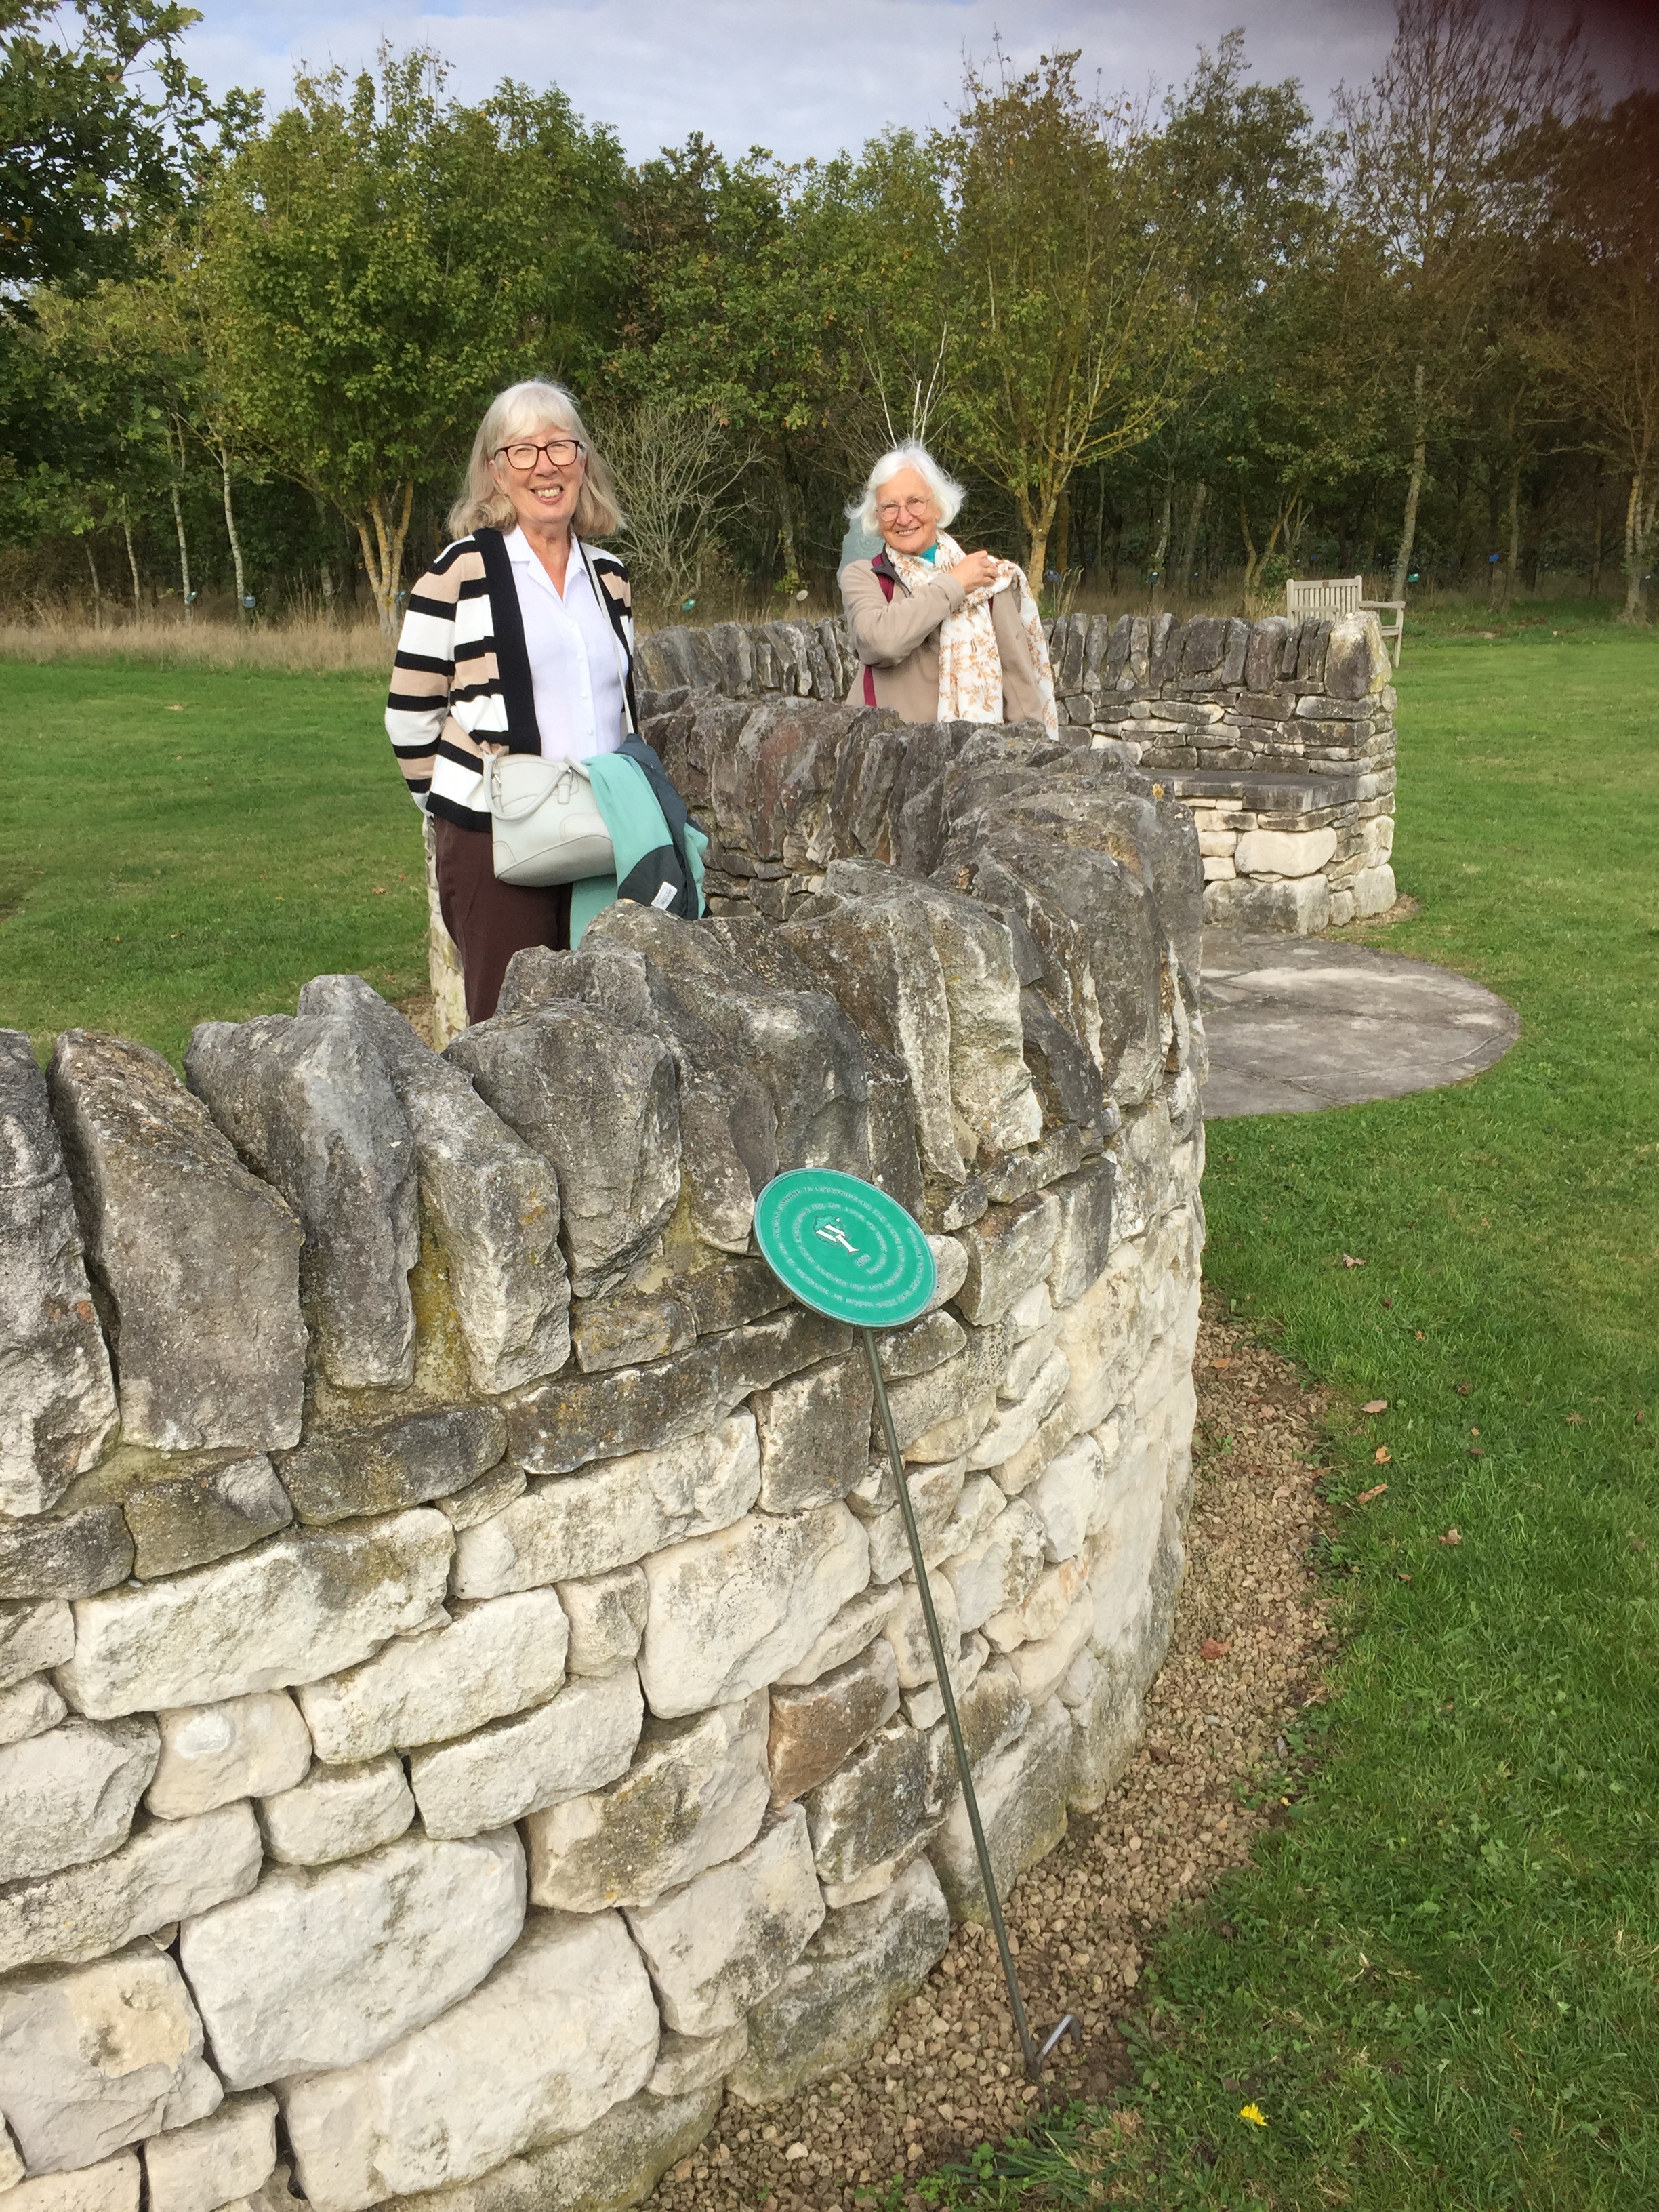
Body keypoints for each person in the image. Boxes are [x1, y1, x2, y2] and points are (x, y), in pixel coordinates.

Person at [386, 380, 642, 1024]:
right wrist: (460, 803)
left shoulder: (609, 577)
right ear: (495, 472)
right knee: (511, 1030)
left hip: (602, 831)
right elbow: (409, 713)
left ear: (583, 462)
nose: (545, 466)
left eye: (560, 446)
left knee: (605, 1023)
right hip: (494, 842)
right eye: (522, 451)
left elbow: (623, 709)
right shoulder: (458, 573)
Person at [840, 441, 1057, 735]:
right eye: (889, 507)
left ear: (939, 507)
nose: (904, 518)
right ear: (877, 519)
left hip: (972, 761)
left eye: (916, 501)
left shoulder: (987, 579)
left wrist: (1034, 748)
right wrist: (955, 584)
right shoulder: (865, 576)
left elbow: (1019, 685)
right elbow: (881, 643)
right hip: (886, 758)